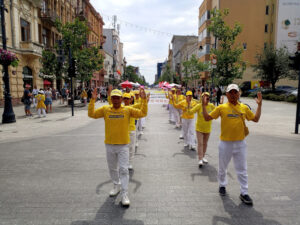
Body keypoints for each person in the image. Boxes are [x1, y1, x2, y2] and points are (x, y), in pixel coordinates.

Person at [201, 84, 262, 206]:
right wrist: (203, 106)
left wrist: (259, 106)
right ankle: (222, 185)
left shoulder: (244, 108)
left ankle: (244, 192)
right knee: (222, 167)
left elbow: (255, 119)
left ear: (239, 93)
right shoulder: (221, 108)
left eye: (235, 92)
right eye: (231, 93)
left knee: (242, 169)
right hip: (225, 143)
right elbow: (207, 118)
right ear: (227, 94)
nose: (233, 95)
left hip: (240, 143)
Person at [88, 88, 148, 207]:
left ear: (121, 99)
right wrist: (92, 100)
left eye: (118, 98)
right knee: (112, 169)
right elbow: (92, 114)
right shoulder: (106, 110)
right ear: (111, 99)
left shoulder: (128, 110)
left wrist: (144, 100)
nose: (115, 100)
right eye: (113, 98)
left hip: (123, 145)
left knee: (124, 170)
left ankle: (125, 194)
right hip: (109, 145)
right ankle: (116, 185)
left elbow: (142, 113)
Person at [188, 92, 223, 167]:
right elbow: (190, 112)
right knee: (200, 143)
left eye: (207, 97)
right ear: (202, 98)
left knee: (205, 144)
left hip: (207, 128)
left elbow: (219, 112)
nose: (206, 98)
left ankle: (203, 156)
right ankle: (200, 159)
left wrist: (221, 105)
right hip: (199, 128)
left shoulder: (211, 106)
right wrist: (188, 104)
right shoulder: (199, 106)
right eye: (204, 97)